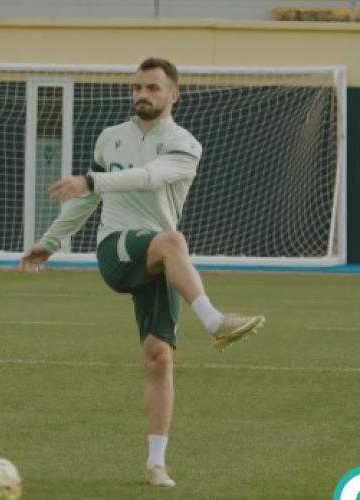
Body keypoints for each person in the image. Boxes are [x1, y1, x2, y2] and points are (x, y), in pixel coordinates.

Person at [18, 57, 264, 488]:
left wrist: (91, 181)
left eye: (152, 88)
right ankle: (213, 320)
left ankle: (155, 464)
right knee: (174, 241)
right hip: (116, 248)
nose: (141, 96)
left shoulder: (186, 145)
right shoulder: (110, 138)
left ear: (173, 95)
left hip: (158, 259)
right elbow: (85, 202)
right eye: (136, 88)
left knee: (159, 359)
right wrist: (50, 243)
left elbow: (149, 178)